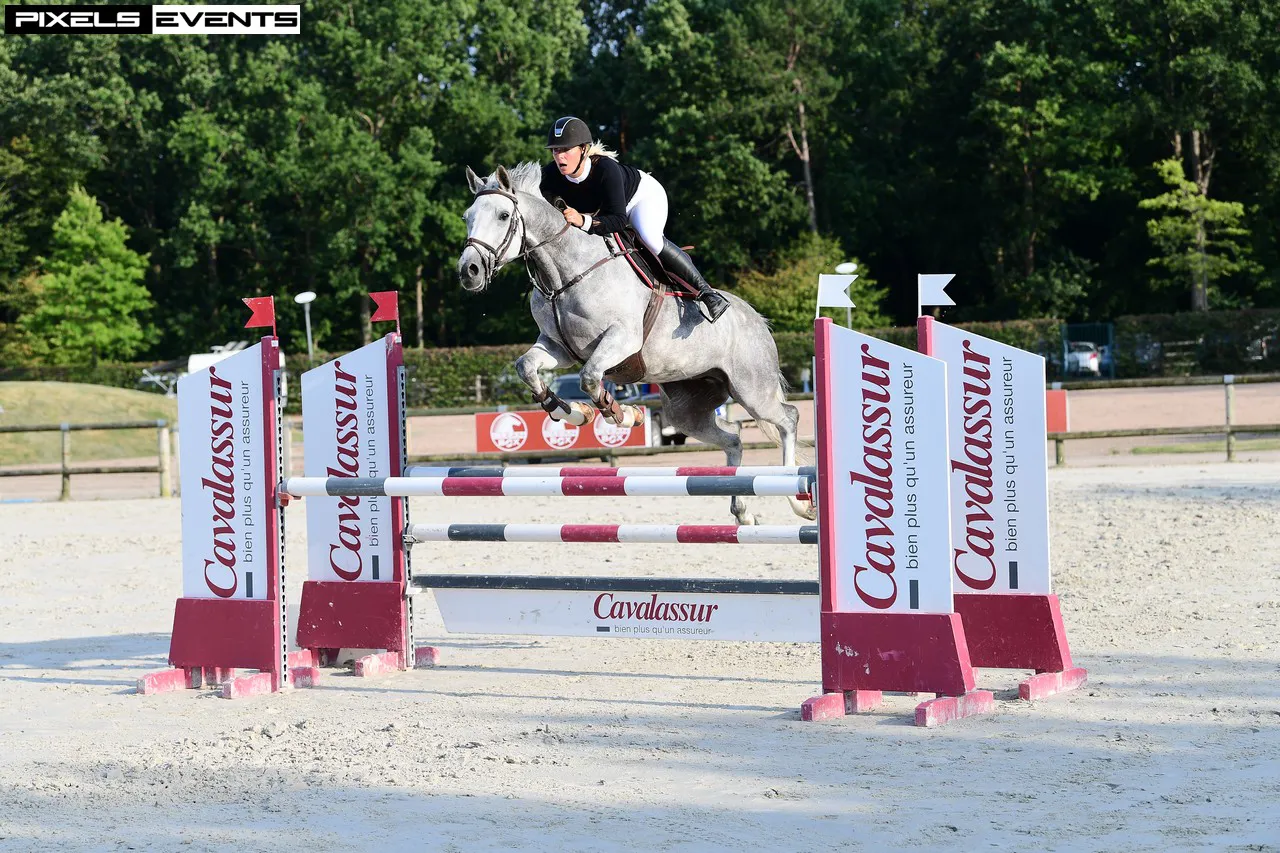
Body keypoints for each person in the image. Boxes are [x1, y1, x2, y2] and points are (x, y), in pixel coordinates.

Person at [538, 116, 730, 322]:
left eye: (566, 149)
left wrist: (582, 221)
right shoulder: (550, 175)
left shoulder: (605, 169)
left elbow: (619, 220)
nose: (560, 157)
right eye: (555, 150)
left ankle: (708, 294)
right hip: (605, 212)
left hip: (641, 198)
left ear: (584, 149)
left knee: (650, 238)